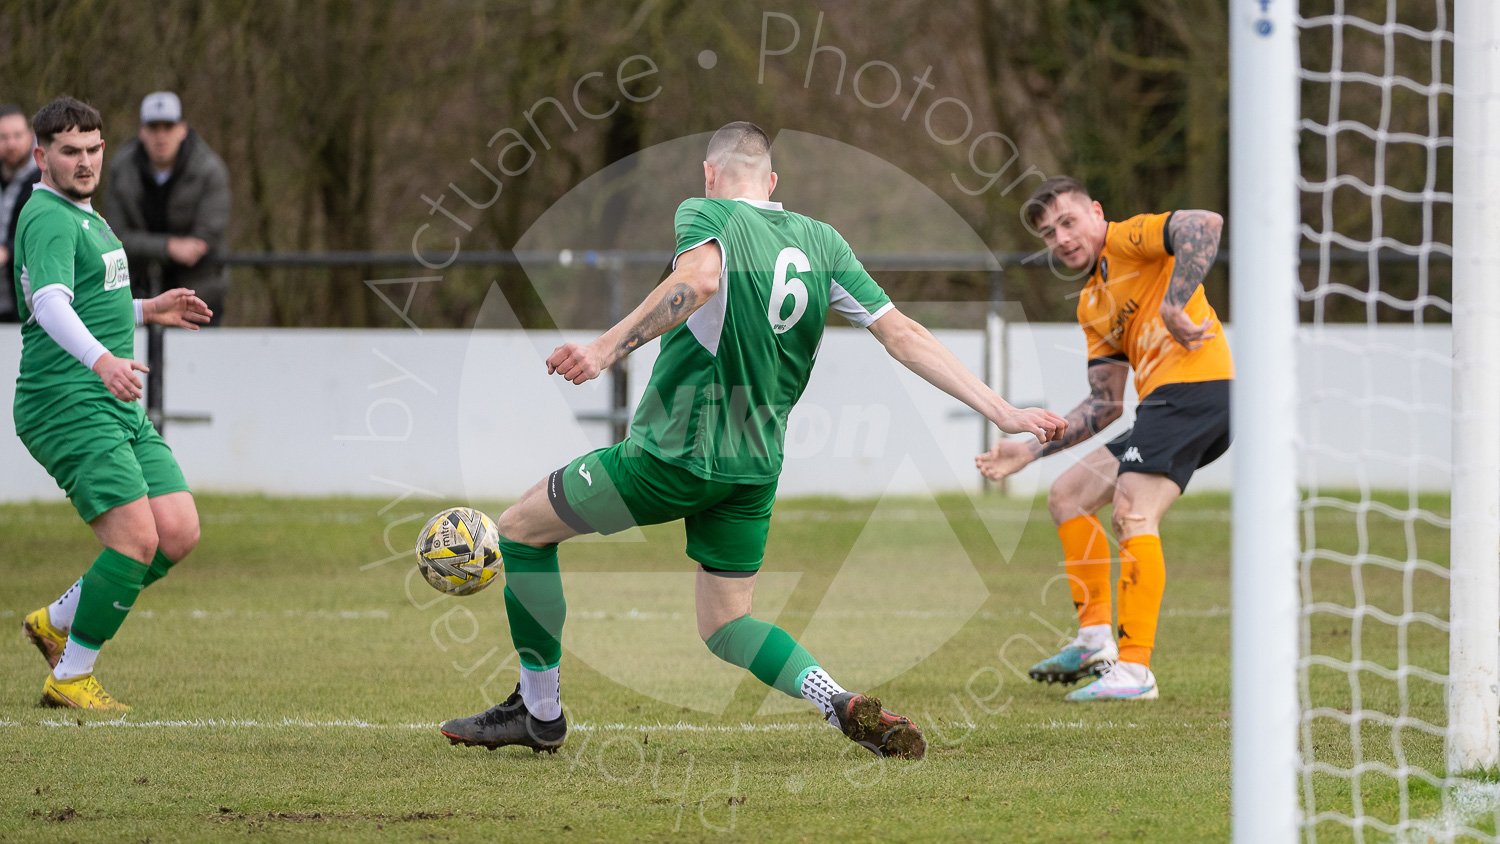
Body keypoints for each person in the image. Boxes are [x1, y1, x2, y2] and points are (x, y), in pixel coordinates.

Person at [439, 122, 1068, 758]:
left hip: (671, 456)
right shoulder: (821, 241)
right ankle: (836, 698)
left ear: (710, 175)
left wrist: (603, 349)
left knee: (521, 529)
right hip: (754, 467)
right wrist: (1003, 409)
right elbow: (903, 334)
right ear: (772, 183)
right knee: (727, 625)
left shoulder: (704, 213)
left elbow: (701, 281)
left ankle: (539, 713)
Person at [976, 176, 1232, 702]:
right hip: (1162, 405)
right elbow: (1105, 404)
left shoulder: (1128, 238)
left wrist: (1174, 302)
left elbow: (1204, 223)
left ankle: (1135, 671)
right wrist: (1027, 449)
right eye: (1049, 233)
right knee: (1068, 496)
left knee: (1134, 514)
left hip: (1197, 390)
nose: (1062, 238)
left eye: (1068, 222)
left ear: (1096, 212)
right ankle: (1095, 643)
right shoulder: (1092, 302)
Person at [14, 96, 213, 710]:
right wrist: (101, 360)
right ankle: (71, 676)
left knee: (176, 530)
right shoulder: (47, 215)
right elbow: (49, 304)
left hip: (110, 399)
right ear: (41, 156)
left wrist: (149, 310)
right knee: (135, 541)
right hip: (68, 400)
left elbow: (85, 302)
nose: (84, 161)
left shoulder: (88, 218)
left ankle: (55, 621)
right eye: (69, 151)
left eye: (93, 148)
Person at [103, 91, 230, 325]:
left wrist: (147, 245)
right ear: (142, 131)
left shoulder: (210, 170)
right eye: (153, 127)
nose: (161, 136)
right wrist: (169, 247)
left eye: (168, 127)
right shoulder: (122, 168)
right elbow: (114, 236)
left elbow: (203, 240)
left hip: (198, 296)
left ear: (182, 129)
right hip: (135, 294)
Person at [0, 103, 40, 322]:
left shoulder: (45, 179)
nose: (11, 143)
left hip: (28, 302)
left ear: (30, 135)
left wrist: (8, 252)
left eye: (17, 135)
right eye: (4, 137)